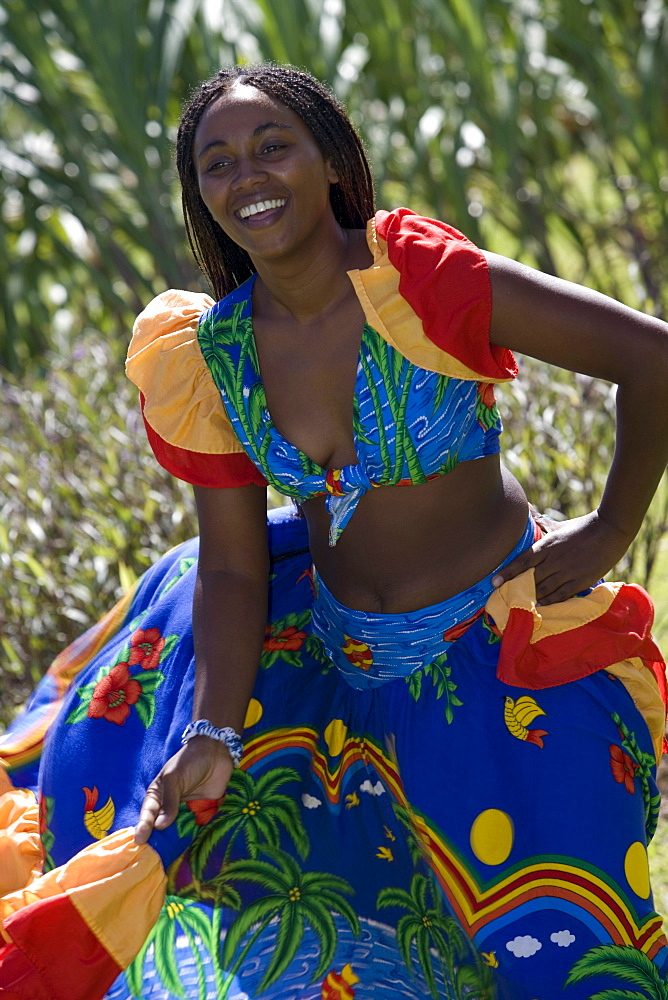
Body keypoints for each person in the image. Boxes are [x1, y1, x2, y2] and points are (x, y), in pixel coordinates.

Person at [1, 62, 668, 1000]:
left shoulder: (422, 278)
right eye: (218, 162)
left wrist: (609, 529)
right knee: (298, 936)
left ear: (330, 163)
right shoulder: (211, 356)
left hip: (488, 659)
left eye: (274, 146)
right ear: (201, 195)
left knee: (555, 948)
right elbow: (233, 572)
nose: (249, 176)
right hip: (328, 664)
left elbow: (651, 357)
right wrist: (215, 733)